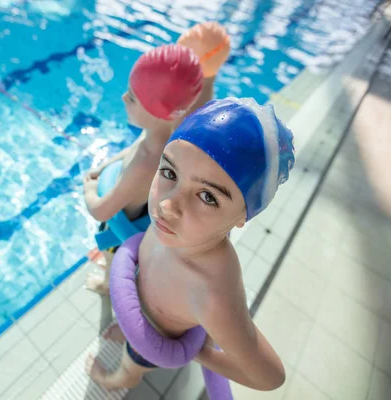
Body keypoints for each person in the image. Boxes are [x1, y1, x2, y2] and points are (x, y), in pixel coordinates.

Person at [86, 97, 295, 392]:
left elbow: (270, 377)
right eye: (169, 173)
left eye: (208, 196)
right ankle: (125, 330)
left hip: (157, 338)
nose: (167, 206)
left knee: (130, 367)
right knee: (131, 322)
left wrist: (198, 353)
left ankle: (113, 381)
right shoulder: (177, 228)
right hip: (141, 304)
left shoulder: (211, 293)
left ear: (242, 216)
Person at [84, 22, 231, 294]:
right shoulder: (168, 133)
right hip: (140, 214)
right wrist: (106, 165)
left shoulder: (147, 161)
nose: (123, 97)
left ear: (158, 110)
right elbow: (133, 148)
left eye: (132, 97)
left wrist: (89, 187)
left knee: (115, 262)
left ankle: (107, 286)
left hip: (121, 229)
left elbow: (102, 210)